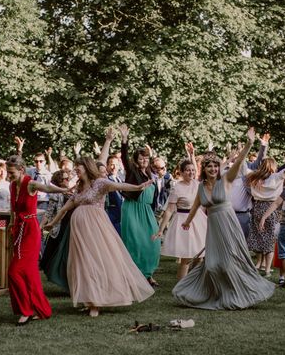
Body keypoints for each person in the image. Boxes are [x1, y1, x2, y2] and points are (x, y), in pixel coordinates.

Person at [172, 127, 275, 310]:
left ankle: (239, 294)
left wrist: (250, 144)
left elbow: (239, 162)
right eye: (208, 166)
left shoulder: (225, 180)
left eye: (215, 166)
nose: (212, 168)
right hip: (213, 228)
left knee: (228, 263)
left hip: (228, 225)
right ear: (203, 168)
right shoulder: (201, 187)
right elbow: (196, 206)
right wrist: (187, 222)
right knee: (211, 265)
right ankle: (212, 293)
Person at [49, 157, 155, 317]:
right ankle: (89, 299)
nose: (76, 169)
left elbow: (119, 186)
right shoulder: (78, 187)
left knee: (96, 261)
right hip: (79, 233)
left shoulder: (99, 183)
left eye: (79, 166)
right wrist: (52, 223)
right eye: (76, 166)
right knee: (82, 263)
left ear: (87, 167)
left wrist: (138, 187)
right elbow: (65, 208)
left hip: (96, 229)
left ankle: (97, 302)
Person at [5, 155, 69, 326]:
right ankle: (42, 309)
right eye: (7, 172)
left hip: (31, 231)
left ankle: (26, 310)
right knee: (30, 274)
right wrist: (12, 227)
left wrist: (64, 190)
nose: (8, 175)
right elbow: (13, 210)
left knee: (15, 271)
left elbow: (47, 188)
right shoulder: (12, 185)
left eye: (11, 172)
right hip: (18, 229)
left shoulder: (30, 183)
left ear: (21, 170)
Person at [117, 124, 161, 286]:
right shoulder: (132, 172)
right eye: (140, 158)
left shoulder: (151, 174)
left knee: (153, 242)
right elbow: (124, 158)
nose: (144, 160)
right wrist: (124, 140)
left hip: (147, 211)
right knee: (135, 242)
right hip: (133, 209)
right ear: (136, 161)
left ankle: (148, 273)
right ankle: (135, 275)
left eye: (146, 158)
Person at [153, 149, 207, 280]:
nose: (191, 172)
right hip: (184, 222)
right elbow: (170, 210)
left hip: (199, 220)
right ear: (181, 172)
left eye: (193, 170)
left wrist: (192, 155)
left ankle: (193, 283)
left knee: (200, 256)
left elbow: (198, 172)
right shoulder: (176, 187)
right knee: (186, 258)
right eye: (188, 170)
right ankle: (181, 287)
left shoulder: (198, 184)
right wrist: (161, 230)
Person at [40, 170, 72, 292]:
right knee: (56, 256)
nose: (66, 181)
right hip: (60, 227)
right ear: (58, 181)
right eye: (63, 179)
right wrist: (42, 225)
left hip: (71, 226)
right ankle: (62, 280)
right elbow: (49, 212)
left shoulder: (73, 192)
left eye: (67, 178)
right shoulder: (56, 195)